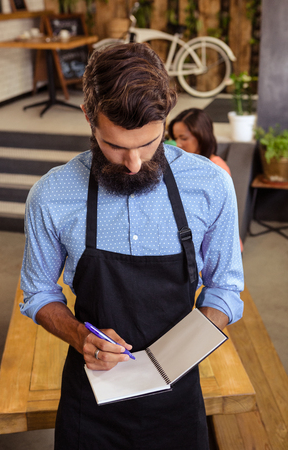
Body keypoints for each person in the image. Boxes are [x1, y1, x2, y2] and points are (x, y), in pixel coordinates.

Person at [20, 43, 244, 450]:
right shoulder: (51, 195)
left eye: (149, 142)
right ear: (89, 117)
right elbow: (38, 292)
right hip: (91, 404)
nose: (135, 162)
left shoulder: (210, 185)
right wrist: (78, 335)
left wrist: (183, 350)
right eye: (116, 145)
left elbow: (225, 287)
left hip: (177, 400)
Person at [168, 108, 243, 252]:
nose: (178, 144)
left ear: (201, 136)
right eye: (175, 138)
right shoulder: (187, 164)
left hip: (215, 246)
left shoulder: (217, 169)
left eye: (183, 138)